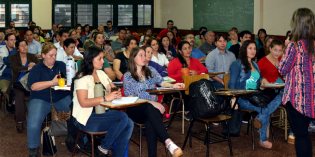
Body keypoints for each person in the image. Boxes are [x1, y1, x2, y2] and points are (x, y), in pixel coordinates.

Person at [123, 47, 184, 157]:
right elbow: (131, 99)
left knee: (150, 118)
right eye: (140, 55)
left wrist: (174, 85)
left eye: (144, 55)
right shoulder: (128, 76)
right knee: (149, 108)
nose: (144, 57)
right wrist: (151, 103)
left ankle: (155, 154)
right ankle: (168, 141)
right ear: (133, 58)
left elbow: (163, 83)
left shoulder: (151, 70)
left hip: (153, 111)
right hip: (135, 109)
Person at [72, 46, 133, 157]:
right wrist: (105, 98)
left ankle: (115, 154)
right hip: (84, 119)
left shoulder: (101, 74)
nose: (103, 61)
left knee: (129, 123)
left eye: (103, 58)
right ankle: (103, 148)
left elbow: (112, 88)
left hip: (101, 114)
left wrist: (116, 93)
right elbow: (83, 103)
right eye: (100, 59)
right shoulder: (82, 77)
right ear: (91, 59)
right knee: (122, 118)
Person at [229, 40, 281, 149]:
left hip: (255, 95)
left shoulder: (255, 65)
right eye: (250, 48)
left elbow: (257, 81)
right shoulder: (237, 64)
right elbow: (232, 83)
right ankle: (263, 140)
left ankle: (258, 118)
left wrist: (262, 79)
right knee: (264, 109)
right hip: (242, 97)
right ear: (244, 49)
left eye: (254, 48)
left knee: (279, 97)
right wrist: (233, 98)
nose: (253, 51)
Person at [278, 8, 315, 157]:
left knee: (301, 136)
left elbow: (282, 69)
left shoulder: (294, 46)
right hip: (312, 99)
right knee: (305, 135)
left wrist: (287, 45)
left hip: (296, 99)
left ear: (297, 24)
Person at [27, 43, 71, 157]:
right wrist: (52, 82)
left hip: (60, 96)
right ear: (43, 55)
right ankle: (33, 148)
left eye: (55, 55)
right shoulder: (36, 68)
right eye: (50, 55)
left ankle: (77, 140)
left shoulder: (60, 65)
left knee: (76, 114)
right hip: (40, 98)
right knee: (34, 121)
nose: (53, 58)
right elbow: (33, 86)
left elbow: (67, 80)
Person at [8, 39, 39, 133]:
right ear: (17, 48)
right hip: (18, 84)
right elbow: (15, 69)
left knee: (38, 93)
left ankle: (38, 119)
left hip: (31, 83)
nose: (25, 47)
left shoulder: (32, 56)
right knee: (19, 95)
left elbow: (41, 67)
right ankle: (20, 121)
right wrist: (28, 67)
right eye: (22, 45)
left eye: (25, 45)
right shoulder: (13, 57)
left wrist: (35, 66)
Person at [0, 33, 17, 109]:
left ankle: (14, 103)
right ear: (6, 41)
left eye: (14, 40)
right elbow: (7, 61)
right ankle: (11, 103)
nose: (13, 42)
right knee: (5, 90)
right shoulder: (2, 50)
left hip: (16, 76)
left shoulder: (16, 50)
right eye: (11, 40)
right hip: (4, 76)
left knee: (20, 89)